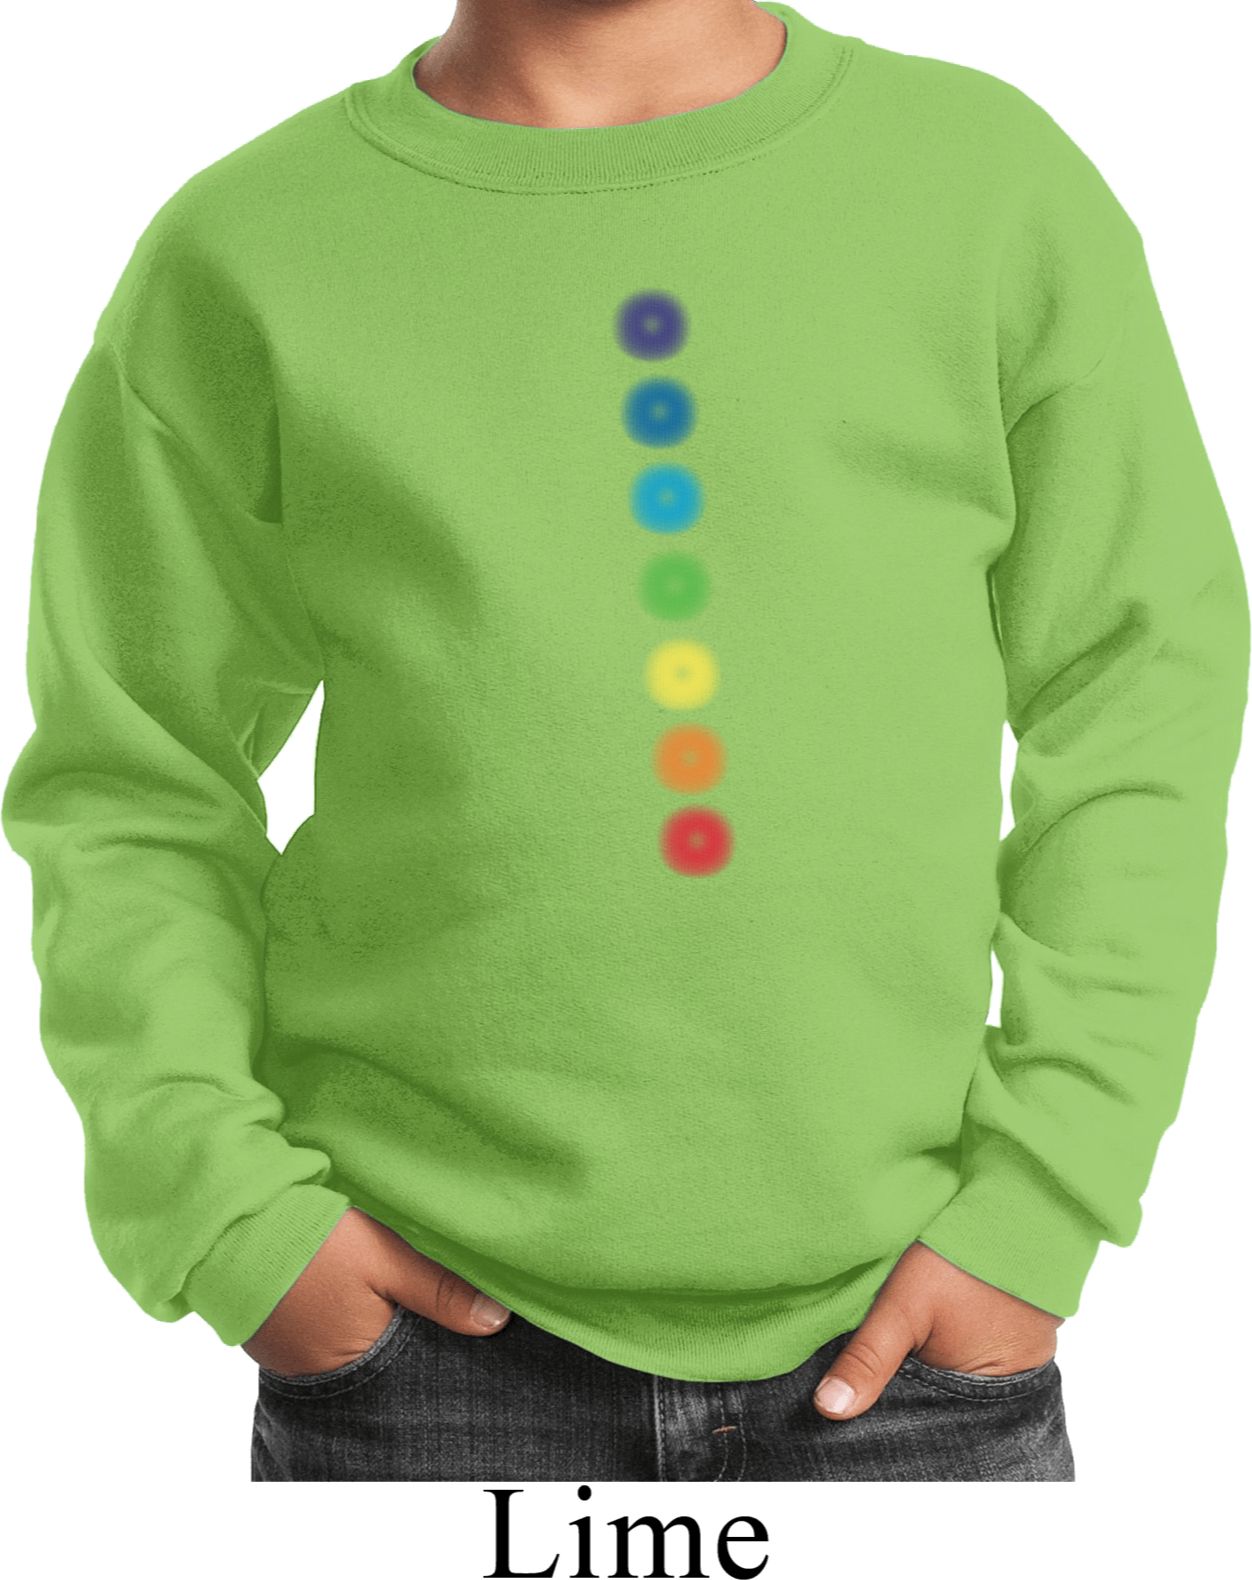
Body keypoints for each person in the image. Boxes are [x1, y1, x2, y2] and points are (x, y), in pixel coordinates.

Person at [4, 0, 1246, 1484]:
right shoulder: (247, 249)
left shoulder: (991, 187)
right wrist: (228, 1214)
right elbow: (133, 772)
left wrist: (1042, 1199)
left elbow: (1140, 695)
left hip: (917, 1348)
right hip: (416, 1354)